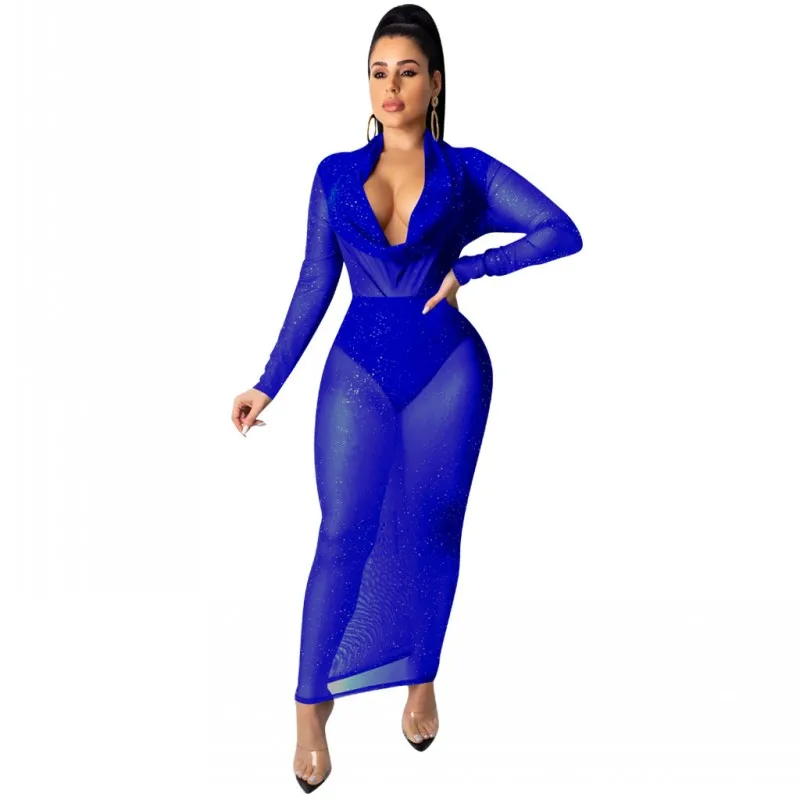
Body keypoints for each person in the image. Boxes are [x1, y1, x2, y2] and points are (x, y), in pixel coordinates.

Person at [231, 4, 582, 792]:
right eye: (379, 72)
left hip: (449, 374)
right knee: (342, 533)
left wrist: (475, 269)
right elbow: (315, 282)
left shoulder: (469, 172)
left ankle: (422, 674)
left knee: (432, 530)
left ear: (436, 84)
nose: (391, 87)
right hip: (357, 370)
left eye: (408, 72)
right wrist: (267, 380)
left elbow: (561, 230)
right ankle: (309, 705)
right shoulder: (333, 174)